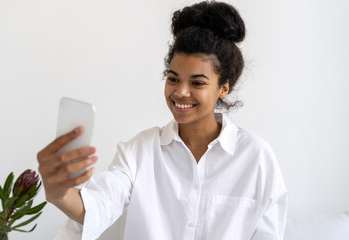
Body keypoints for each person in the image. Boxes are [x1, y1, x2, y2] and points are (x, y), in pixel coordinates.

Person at [37, 1, 287, 239]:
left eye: (197, 82)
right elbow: (96, 206)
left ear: (223, 88)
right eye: (174, 78)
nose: (181, 92)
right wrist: (58, 191)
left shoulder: (256, 158)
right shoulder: (139, 151)